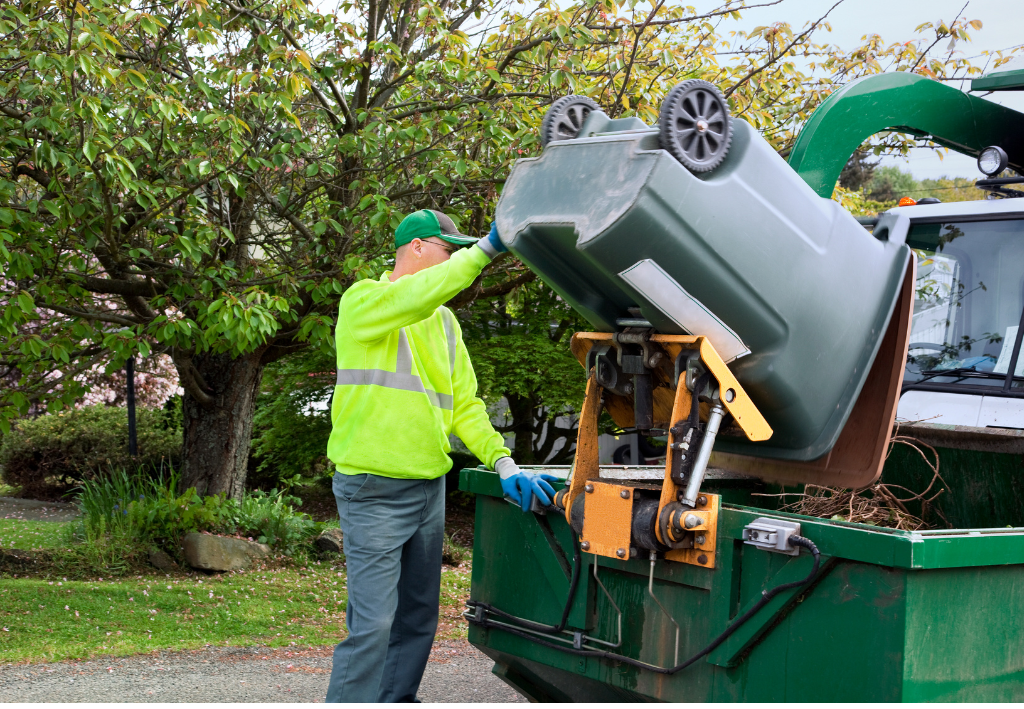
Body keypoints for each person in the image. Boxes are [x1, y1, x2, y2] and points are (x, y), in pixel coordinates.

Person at [325, 209, 558, 702]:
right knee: (372, 626)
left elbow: (466, 406)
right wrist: (488, 250)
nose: (453, 259)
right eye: (448, 249)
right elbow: (415, 295)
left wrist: (503, 461)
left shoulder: (446, 324)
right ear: (415, 248)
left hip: (427, 488)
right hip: (373, 488)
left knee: (417, 620)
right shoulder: (363, 301)